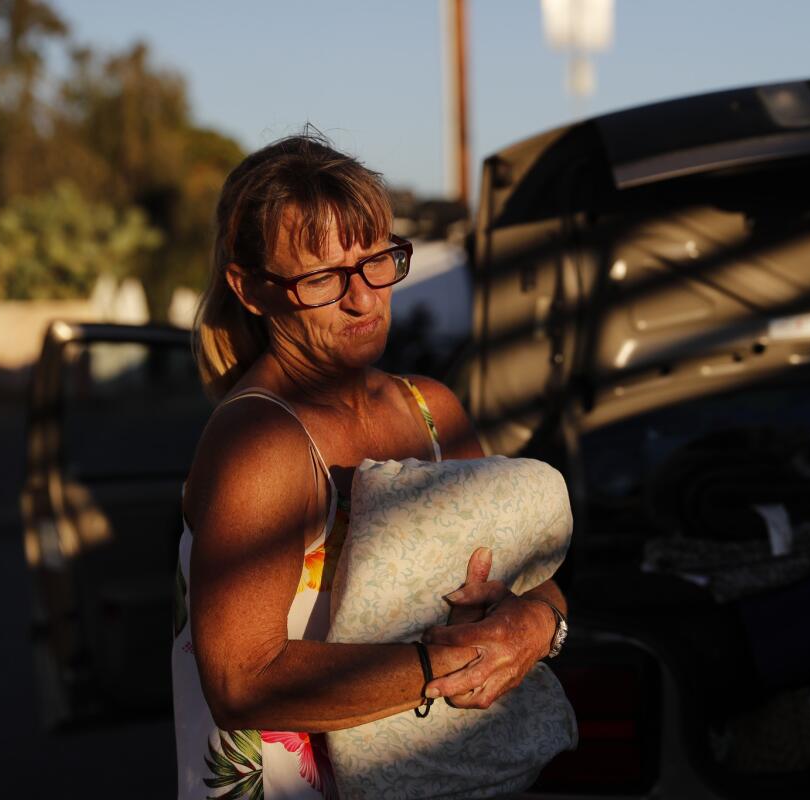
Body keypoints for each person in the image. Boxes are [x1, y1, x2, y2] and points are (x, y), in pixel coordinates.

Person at [171, 133, 569, 800]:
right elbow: (242, 681)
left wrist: (536, 625)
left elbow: (531, 582)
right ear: (253, 290)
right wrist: (451, 663)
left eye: (377, 260)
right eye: (323, 277)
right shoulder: (261, 440)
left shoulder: (431, 410)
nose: (363, 298)